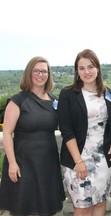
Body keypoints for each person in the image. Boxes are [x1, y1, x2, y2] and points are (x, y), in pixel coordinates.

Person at [0, 56, 65, 215]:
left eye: (44, 71)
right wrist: (13, 163)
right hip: (24, 162)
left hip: (47, 163)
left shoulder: (54, 100)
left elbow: (66, 126)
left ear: (49, 75)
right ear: (29, 73)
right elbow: (7, 133)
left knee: (46, 208)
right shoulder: (17, 101)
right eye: (36, 71)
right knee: (24, 208)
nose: (40, 74)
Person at [58, 49, 111, 216]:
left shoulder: (108, 93)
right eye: (81, 68)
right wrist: (79, 161)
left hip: (103, 158)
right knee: (82, 206)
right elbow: (66, 130)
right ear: (77, 72)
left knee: (100, 203)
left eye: (90, 67)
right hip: (77, 157)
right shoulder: (67, 94)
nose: (87, 72)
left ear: (97, 68)